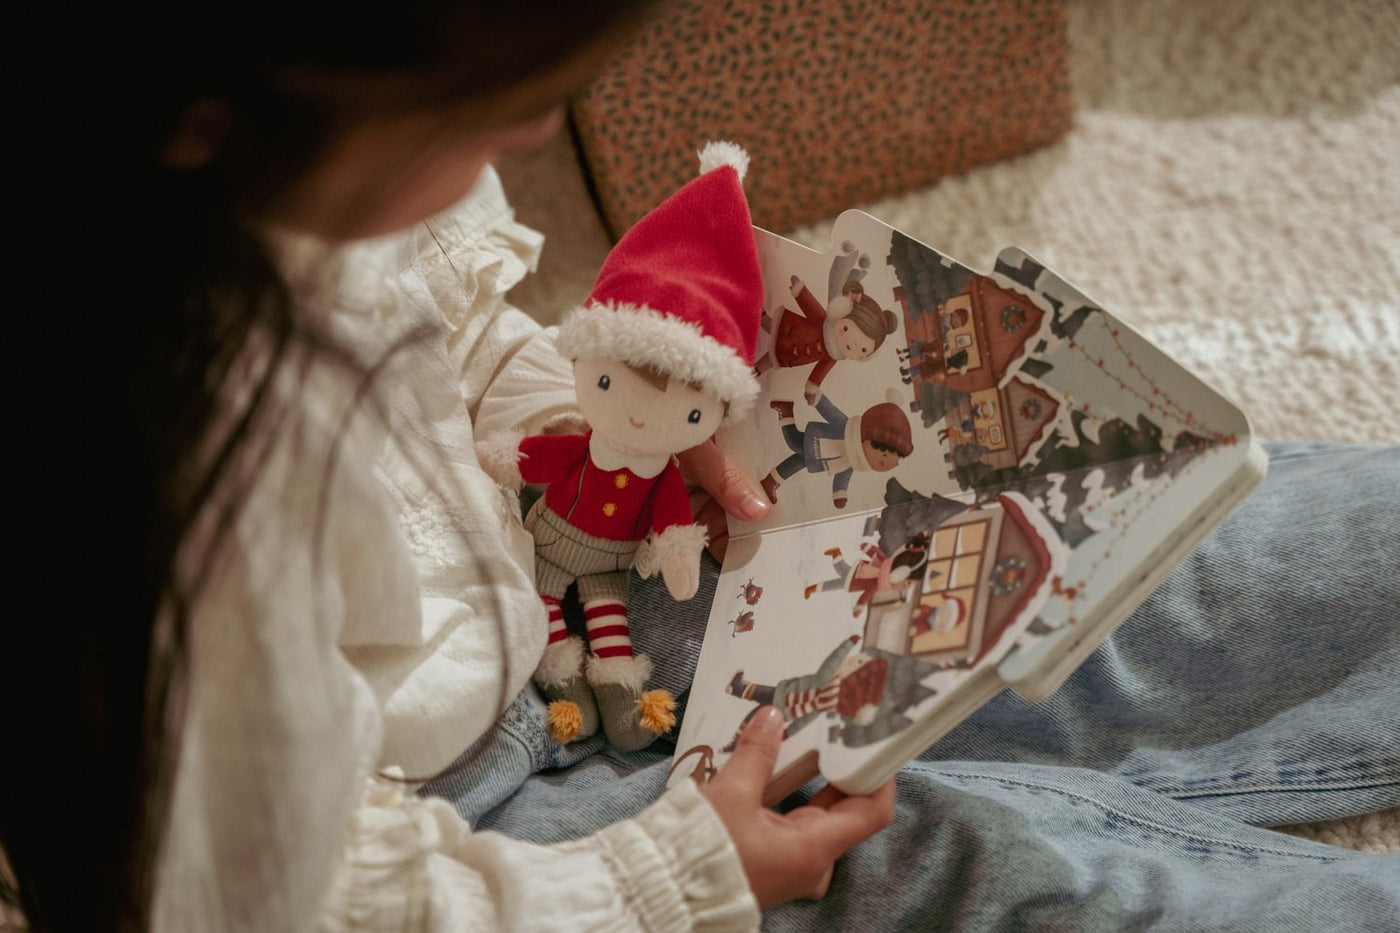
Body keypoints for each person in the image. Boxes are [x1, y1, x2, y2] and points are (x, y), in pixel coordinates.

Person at [7, 6, 1398, 933]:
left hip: (554, 567)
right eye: (493, 120)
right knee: (966, 866)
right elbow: (269, 903)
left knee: (1110, 552)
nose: (537, 141)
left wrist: (621, 432)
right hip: (430, 847)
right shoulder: (160, 529)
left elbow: (461, 332)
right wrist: (669, 878)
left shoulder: (296, 142)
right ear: (205, 125)